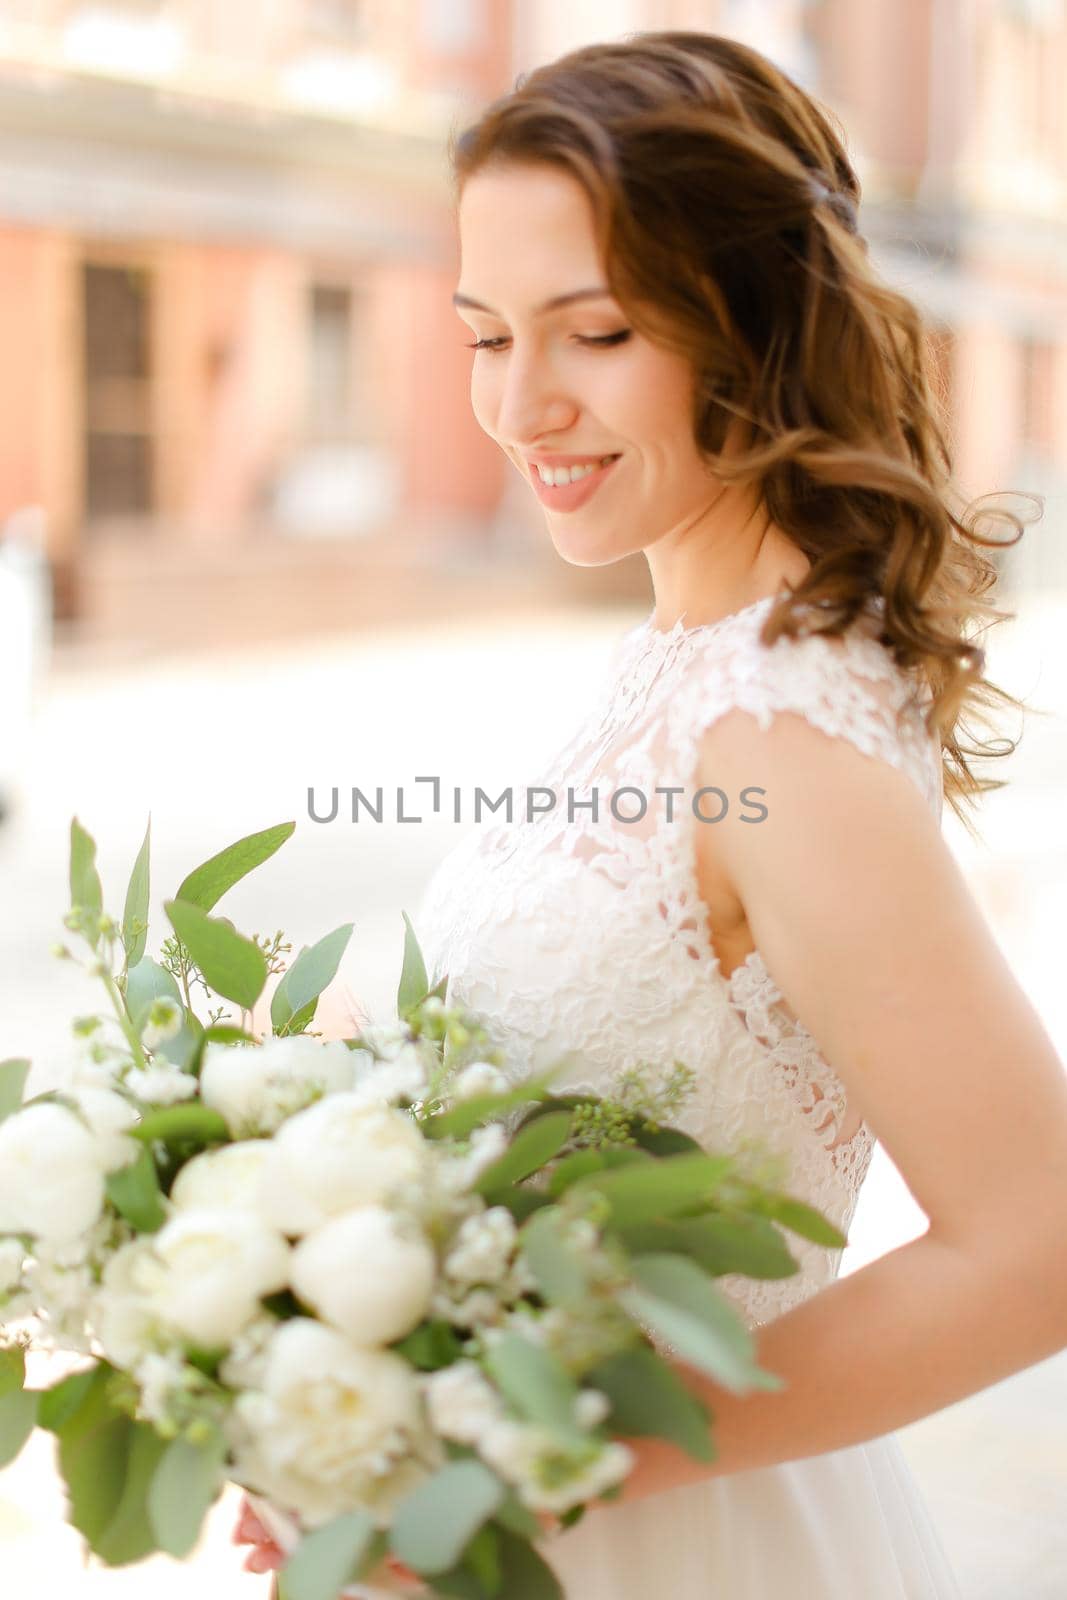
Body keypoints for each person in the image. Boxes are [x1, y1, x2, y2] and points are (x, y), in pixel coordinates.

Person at [237, 30, 1067, 1597]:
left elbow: (1038, 1246)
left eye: (595, 332)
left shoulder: (780, 729)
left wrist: (550, 1451)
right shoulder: (676, 665)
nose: (519, 405)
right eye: (485, 336)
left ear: (749, 320)